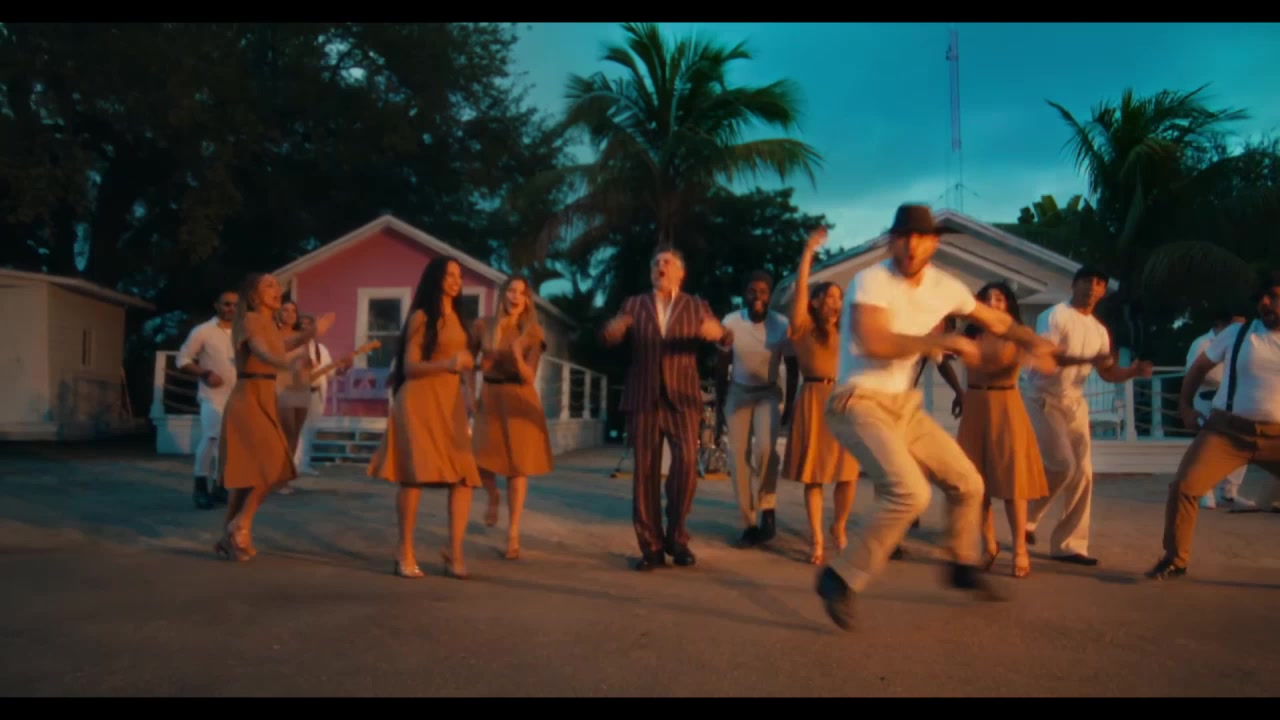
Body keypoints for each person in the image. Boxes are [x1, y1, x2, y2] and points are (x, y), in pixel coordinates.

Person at [813, 204, 1058, 631]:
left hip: (904, 407)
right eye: (903, 237)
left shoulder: (946, 287)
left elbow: (996, 320)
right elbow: (873, 342)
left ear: (933, 243)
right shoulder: (871, 281)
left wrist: (1031, 340)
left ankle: (960, 564)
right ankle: (839, 576)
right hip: (858, 401)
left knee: (968, 483)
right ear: (891, 242)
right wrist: (941, 342)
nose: (911, 246)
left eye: (920, 238)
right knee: (910, 492)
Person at [600, 247, 731, 571]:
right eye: (656, 262)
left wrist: (719, 334)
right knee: (644, 472)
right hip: (644, 396)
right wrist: (612, 331)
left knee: (687, 465)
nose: (661, 266)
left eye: (668, 262)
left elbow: (724, 338)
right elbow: (609, 338)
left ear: (680, 273)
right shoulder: (634, 304)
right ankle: (651, 548)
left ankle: (676, 535)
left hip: (682, 398)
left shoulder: (695, 306)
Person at [1147, 271, 1280, 580]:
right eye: (1261, 298)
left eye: (1273, 296)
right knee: (1184, 486)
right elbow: (1198, 368)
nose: (1265, 303)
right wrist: (1185, 406)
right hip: (1227, 432)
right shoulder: (1238, 334)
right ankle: (1175, 559)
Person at [1022, 266, 1153, 566]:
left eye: (1098, 283)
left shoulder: (1098, 330)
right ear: (1074, 285)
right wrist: (1089, 358)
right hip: (1042, 398)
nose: (1092, 287)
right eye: (1086, 281)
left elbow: (1107, 372)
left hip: (1075, 402)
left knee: (1083, 473)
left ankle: (1070, 545)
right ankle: (1028, 518)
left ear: (1103, 291)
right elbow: (1049, 356)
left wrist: (1132, 371)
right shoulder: (1054, 316)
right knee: (1062, 465)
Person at [368, 256, 481, 580]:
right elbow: (410, 367)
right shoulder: (421, 317)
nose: (455, 281)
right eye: (449, 275)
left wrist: (470, 395)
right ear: (435, 279)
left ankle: (454, 551)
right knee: (414, 476)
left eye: (459, 275)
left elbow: (464, 365)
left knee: (464, 477)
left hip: (450, 406)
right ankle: (404, 550)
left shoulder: (460, 319)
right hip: (419, 401)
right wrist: (449, 364)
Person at [213, 273, 334, 561]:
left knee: (251, 474)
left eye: (277, 285)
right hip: (249, 396)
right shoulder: (251, 319)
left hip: (266, 394)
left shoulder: (270, 324)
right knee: (274, 462)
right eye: (268, 285)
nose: (276, 289)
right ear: (254, 296)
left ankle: (228, 538)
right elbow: (263, 351)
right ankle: (241, 524)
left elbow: (284, 343)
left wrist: (311, 333)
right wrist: (286, 361)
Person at [954, 282, 1053, 579]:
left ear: (1008, 304)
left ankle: (1020, 549)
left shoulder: (1018, 334)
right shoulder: (969, 334)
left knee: (1013, 484)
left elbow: (1043, 358)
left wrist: (1037, 356)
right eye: (987, 299)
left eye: (999, 299)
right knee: (976, 484)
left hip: (1007, 406)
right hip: (975, 406)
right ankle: (988, 545)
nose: (993, 303)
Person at [780, 227, 860, 565]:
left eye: (839, 298)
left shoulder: (846, 331)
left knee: (848, 472)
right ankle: (816, 539)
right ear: (815, 302)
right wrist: (808, 252)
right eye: (828, 297)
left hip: (844, 400)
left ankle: (838, 526)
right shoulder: (804, 327)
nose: (834, 302)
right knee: (814, 475)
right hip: (813, 398)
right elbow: (800, 290)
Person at [469, 275, 554, 561]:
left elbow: (529, 376)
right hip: (490, 395)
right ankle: (493, 495)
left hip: (519, 397)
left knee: (517, 468)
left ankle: (513, 532)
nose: (515, 296)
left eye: (521, 293)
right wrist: (469, 393)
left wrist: (517, 354)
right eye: (511, 291)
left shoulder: (533, 332)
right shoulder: (482, 326)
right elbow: (468, 362)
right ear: (503, 294)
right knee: (480, 459)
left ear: (527, 300)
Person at [715, 269, 795, 547]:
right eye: (752, 291)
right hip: (738, 392)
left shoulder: (781, 324)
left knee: (765, 450)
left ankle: (767, 508)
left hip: (767, 393)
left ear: (770, 295)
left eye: (763, 292)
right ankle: (748, 522)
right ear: (744, 294)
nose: (757, 296)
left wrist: (790, 404)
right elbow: (721, 366)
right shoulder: (731, 322)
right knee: (737, 457)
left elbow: (793, 366)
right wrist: (720, 405)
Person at [1185, 310, 1255, 510]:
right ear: (1221, 323)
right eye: (1236, 325)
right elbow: (1194, 371)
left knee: (1240, 445)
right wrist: (1225, 382)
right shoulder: (1201, 343)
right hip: (1206, 399)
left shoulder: (1244, 342)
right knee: (1208, 447)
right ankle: (1205, 491)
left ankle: (1229, 492)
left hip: (1232, 402)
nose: (1240, 329)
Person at [175, 289, 238, 510]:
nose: (231, 309)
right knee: (211, 437)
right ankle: (200, 488)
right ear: (216, 305)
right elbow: (182, 359)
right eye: (227, 304)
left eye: (235, 305)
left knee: (230, 443)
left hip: (238, 396)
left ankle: (220, 486)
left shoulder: (244, 332)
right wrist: (205, 373)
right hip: (213, 395)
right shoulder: (203, 330)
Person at [292, 314, 351, 475]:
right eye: (302, 324)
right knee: (295, 428)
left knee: (310, 428)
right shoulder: (291, 346)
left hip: (316, 392)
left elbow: (330, 372)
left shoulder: (321, 349)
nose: (305, 327)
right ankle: (291, 464)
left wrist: (343, 368)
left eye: (308, 324)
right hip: (295, 392)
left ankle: (304, 463)